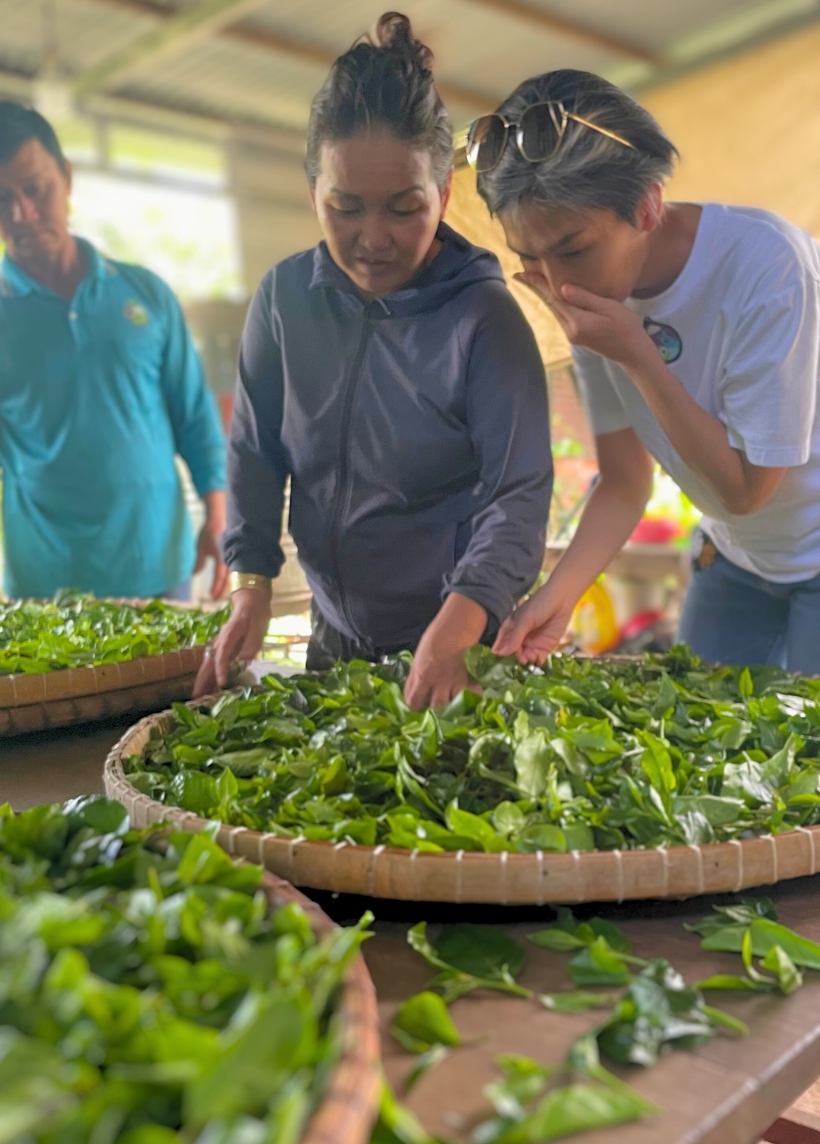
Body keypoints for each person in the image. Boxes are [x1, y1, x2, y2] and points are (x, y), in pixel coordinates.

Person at [472, 71, 820, 692]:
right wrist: (556, 597)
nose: (556, 284)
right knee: (703, 739)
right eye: (527, 257)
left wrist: (637, 355)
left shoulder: (768, 268)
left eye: (573, 249)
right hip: (737, 551)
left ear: (647, 203)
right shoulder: (592, 301)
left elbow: (749, 487)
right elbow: (624, 480)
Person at [196, 14, 552, 709]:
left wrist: (459, 626)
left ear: (444, 195)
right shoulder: (283, 300)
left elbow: (519, 497)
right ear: (313, 194)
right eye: (346, 207)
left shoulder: (484, 321)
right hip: (332, 645)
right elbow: (256, 452)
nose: (373, 239)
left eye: (403, 207)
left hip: (458, 651)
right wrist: (251, 584)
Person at [0, 101, 227, 605]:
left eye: (35, 189)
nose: (23, 213)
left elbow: (194, 417)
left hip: (159, 564)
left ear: (66, 177)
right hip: (45, 582)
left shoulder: (145, 294)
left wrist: (217, 516)